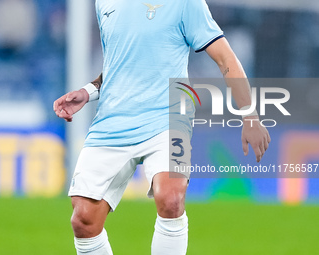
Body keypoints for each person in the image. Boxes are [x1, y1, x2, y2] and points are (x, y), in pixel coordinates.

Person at [53, 0, 271, 254]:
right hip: (113, 120)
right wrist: (88, 91)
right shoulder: (105, 3)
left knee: (171, 198)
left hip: (169, 117)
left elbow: (225, 58)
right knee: (83, 220)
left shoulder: (187, 3)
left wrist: (250, 116)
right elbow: (120, 63)